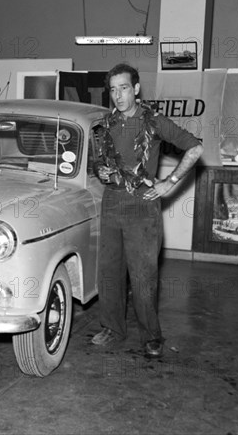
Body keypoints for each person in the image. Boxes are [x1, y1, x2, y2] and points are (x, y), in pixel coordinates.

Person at [92, 63, 204, 358]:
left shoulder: (153, 121)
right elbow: (98, 161)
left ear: (137, 88)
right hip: (112, 203)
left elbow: (194, 148)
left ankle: (152, 336)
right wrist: (101, 171)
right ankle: (112, 328)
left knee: (143, 276)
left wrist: (170, 182)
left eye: (124, 88)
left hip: (143, 206)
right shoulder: (106, 124)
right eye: (113, 90)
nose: (118, 95)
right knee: (109, 272)